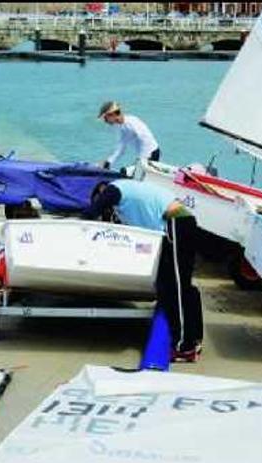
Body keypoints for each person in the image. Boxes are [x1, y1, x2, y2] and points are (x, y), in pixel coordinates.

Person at [82, 179, 203, 362]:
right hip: (176, 225)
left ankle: (184, 347)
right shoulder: (127, 200)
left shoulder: (115, 188)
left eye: (99, 196)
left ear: (101, 190)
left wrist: (78, 223)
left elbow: (92, 212)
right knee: (168, 285)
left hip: (177, 222)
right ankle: (193, 338)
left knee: (177, 287)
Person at [97, 101, 160, 171]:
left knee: (126, 172)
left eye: (105, 118)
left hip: (152, 153)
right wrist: (109, 162)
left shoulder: (132, 122)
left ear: (112, 115)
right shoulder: (120, 126)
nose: (105, 121)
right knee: (126, 171)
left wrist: (141, 161)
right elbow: (121, 147)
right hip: (144, 157)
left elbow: (145, 140)